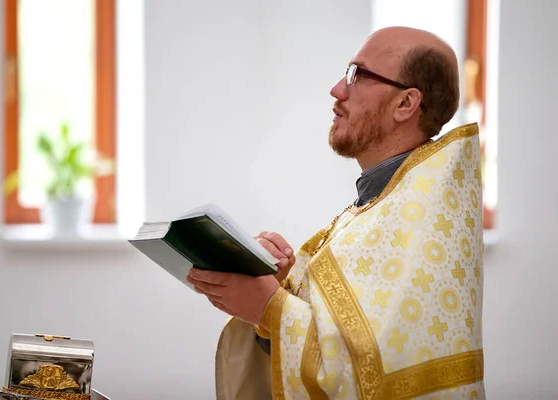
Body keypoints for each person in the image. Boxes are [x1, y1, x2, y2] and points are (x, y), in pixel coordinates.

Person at [187, 26, 485, 399]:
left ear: (406, 104)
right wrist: (284, 285)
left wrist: (269, 307)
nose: (337, 89)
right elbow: (347, 340)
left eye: (358, 75)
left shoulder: (420, 224)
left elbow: (370, 377)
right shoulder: (388, 203)